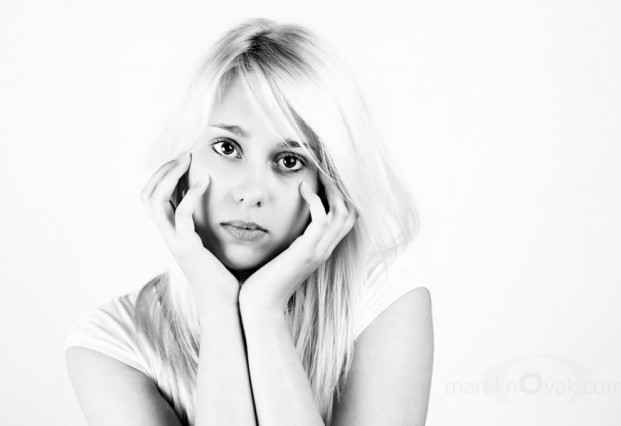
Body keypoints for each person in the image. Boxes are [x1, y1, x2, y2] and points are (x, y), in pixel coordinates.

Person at [64, 18, 434, 426]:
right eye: (227, 147)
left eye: (290, 161)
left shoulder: (384, 301)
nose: (251, 191)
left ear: (331, 182)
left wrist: (263, 311)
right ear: (180, 162)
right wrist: (218, 311)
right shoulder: (110, 343)